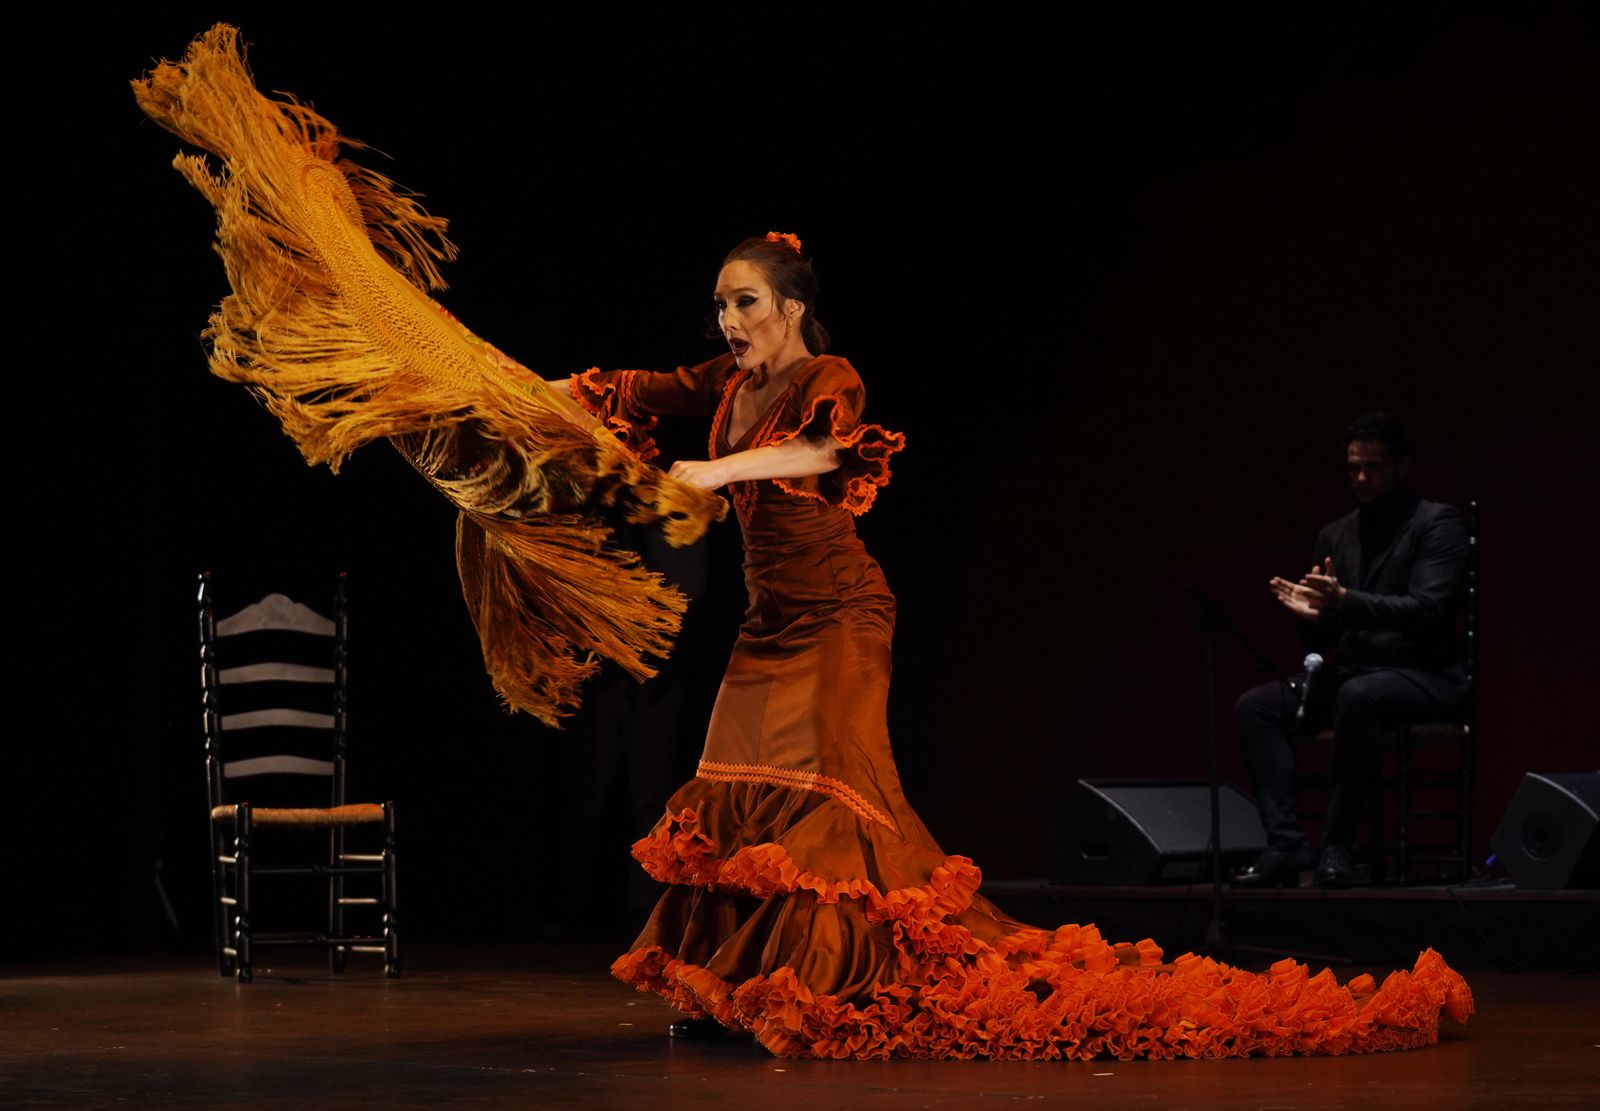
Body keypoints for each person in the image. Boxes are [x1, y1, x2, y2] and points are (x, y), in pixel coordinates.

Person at [562, 239, 1471, 1059]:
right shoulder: (724, 383)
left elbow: (820, 451)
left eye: (746, 301)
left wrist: (719, 469)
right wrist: (519, 391)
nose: (729, 321)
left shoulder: (826, 374)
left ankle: (829, 983)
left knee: (831, 804)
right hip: (768, 623)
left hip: (842, 614)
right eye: (719, 304)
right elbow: (634, 388)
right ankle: (743, 987)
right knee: (739, 797)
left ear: (790, 307)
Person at [1233, 414, 1470, 890]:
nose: (1362, 478)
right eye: (1353, 468)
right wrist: (1314, 619)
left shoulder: (1437, 523)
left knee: (1357, 696)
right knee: (1256, 706)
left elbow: (1426, 609)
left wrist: (1343, 601)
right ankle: (1287, 843)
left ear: (1402, 466)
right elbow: (1328, 641)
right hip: (1357, 677)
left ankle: (1338, 844)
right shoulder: (1336, 534)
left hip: (1425, 674)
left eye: (1374, 467)